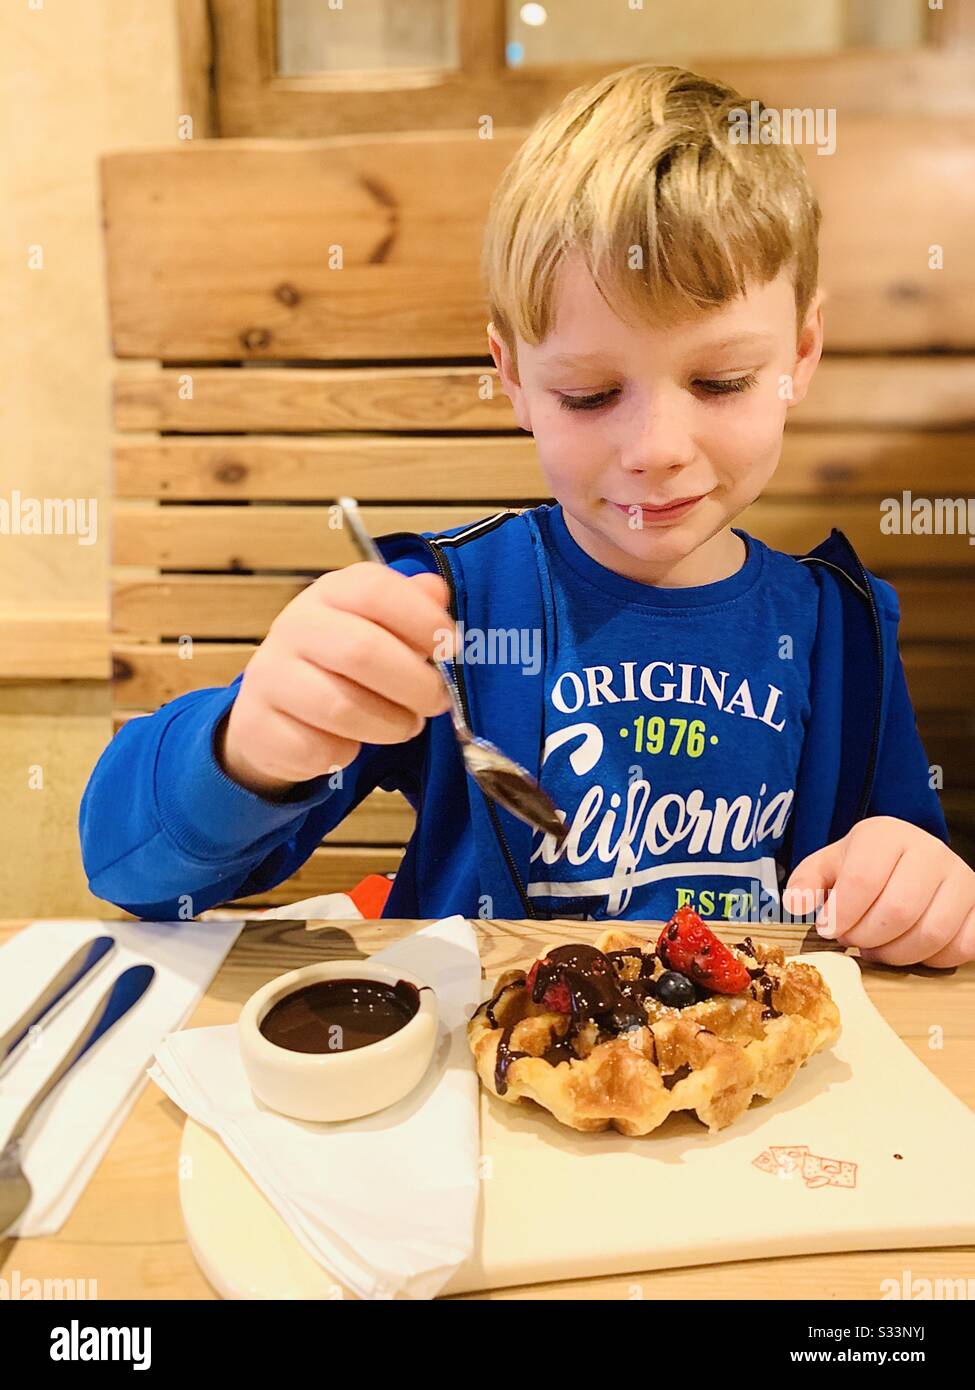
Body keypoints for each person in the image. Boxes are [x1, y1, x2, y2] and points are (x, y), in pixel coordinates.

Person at [80, 63, 974, 966]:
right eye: (588, 394)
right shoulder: (442, 608)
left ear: (802, 352)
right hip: (476, 1079)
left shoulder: (842, 633)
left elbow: (909, 873)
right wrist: (248, 749)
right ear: (511, 378)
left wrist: (916, 883)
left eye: (719, 381)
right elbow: (137, 872)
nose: (656, 447)